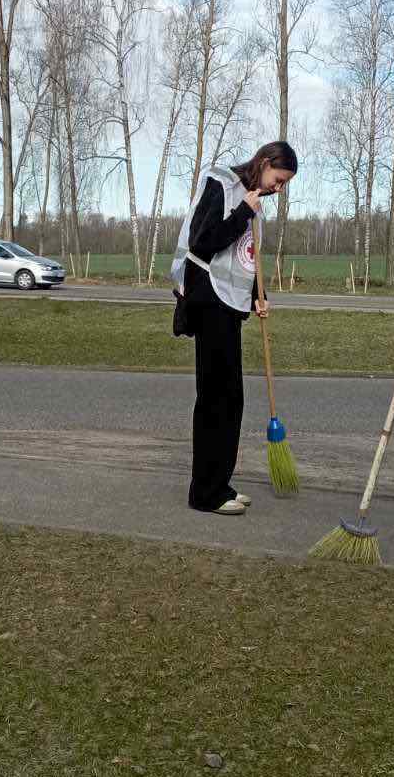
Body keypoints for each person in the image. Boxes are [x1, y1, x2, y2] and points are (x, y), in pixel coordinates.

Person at [172, 141, 298, 515]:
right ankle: (205, 493)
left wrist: (260, 293)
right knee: (214, 399)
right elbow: (203, 241)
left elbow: (246, 257)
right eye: (279, 179)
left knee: (232, 399)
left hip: (230, 305)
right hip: (208, 300)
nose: (279, 189)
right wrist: (243, 211)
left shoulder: (253, 202)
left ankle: (220, 483)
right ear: (264, 162)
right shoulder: (221, 183)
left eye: (284, 184)